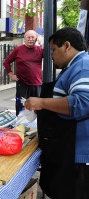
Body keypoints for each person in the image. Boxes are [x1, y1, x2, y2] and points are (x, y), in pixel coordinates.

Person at [25, 27, 89, 199]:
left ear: (66, 46)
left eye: (53, 50)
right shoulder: (73, 66)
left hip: (77, 155)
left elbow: (82, 104)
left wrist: (41, 102)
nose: (51, 56)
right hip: (65, 148)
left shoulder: (82, 66)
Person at [3, 30, 44, 115]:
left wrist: (42, 43)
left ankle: (38, 126)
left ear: (36, 39)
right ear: (24, 39)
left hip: (36, 83)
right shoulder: (18, 49)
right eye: (28, 37)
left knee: (38, 108)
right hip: (22, 84)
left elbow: (51, 55)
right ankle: (20, 125)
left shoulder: (40, 50)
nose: (30, 39)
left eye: (33, 37)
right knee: (21, 106)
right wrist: (11, 75)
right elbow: (6, 62)